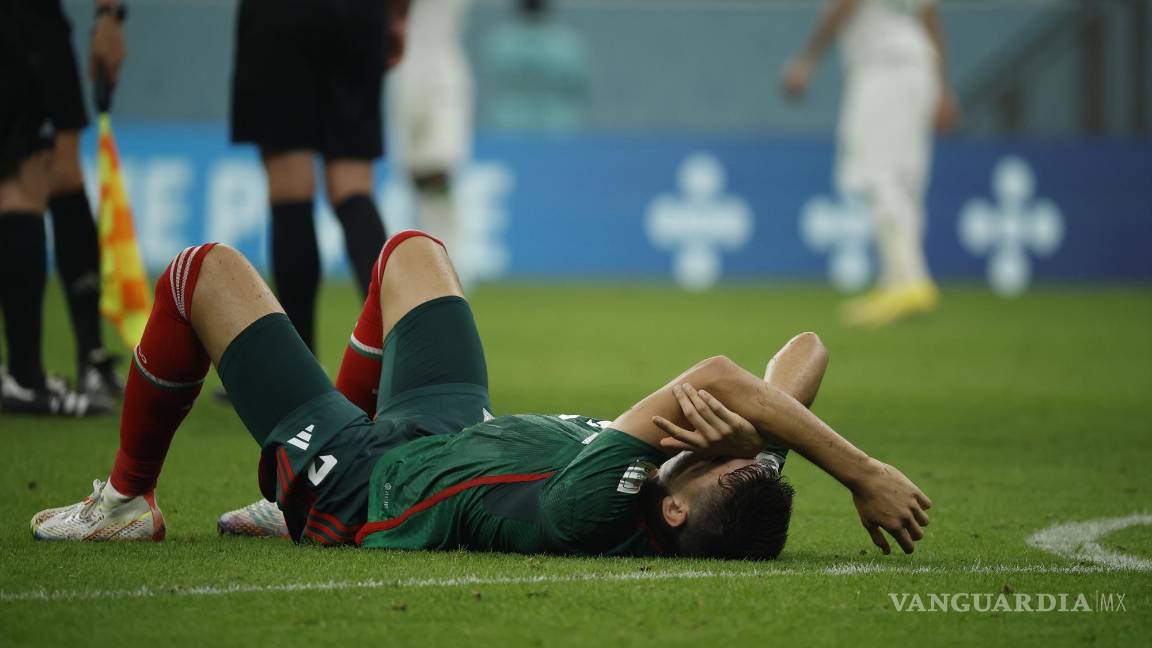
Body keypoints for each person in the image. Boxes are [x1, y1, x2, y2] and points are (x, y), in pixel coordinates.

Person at [31, 230, 931, 557]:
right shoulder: (715, 476)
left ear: (675, 515)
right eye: (742, 454)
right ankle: (274, 499)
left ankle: (126, 500)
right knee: (410, 256)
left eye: (714, 466)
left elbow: (726, 377)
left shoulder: (598, 505)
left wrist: (862, 473)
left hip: (369, 486)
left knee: (197, 274)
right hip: (453, 432)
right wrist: (756, 445)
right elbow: (802, 356)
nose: (722, 448)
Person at [229, 0, 408, 352]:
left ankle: (299, 371)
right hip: (356, 16)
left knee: (289, 191)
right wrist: (398, 15)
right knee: (353, 187)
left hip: (280, 16)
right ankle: (404, 354)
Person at [782, 0, 960, 326]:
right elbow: (929, 15)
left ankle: (910, 280)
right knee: (905, 179)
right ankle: (894, 285)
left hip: (883, 66)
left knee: (877, 174)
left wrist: (807, 59)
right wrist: (942, 86)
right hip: (918, 66)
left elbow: (844, 4)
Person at [0, 0, 127, 416]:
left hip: (38, 25)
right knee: (23, 181)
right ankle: (24, 377)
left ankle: (88, 356)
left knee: (63, 172)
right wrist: (111, 15)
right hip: (25, 21)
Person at [387, 0, 474, 281]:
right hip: (405, 72)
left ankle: (452, 267)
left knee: (438, 171)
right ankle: (430, 268)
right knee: (417, 176)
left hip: (438, 75)